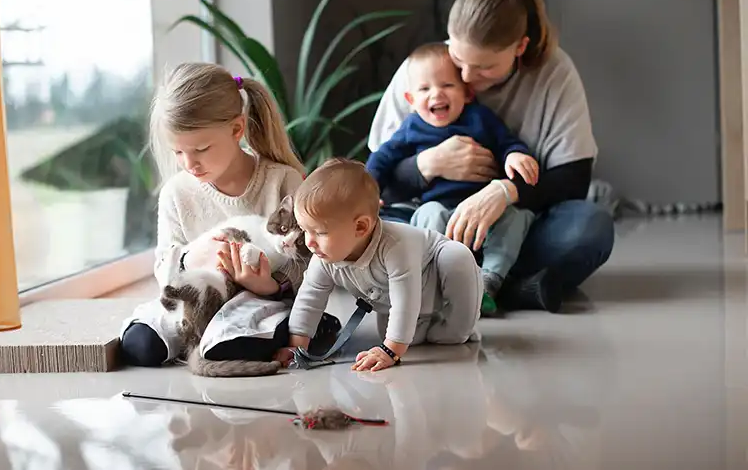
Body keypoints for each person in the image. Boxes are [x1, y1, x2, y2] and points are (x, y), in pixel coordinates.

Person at [369, 0, 615, 313]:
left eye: (485, 67)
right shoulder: (425, 69)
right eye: (458, 58)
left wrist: (504, 191)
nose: (467, 78)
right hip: (432, 219)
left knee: (590, 227)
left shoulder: (555, 73)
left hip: (513, 226)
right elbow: (379, 173)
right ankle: (511, 288)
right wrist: (428, 165)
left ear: (519, 47)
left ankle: (481, 283)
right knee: (369, 228)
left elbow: (574, 180)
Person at [119, 62, 335, 367]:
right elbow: (164, 267)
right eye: (177, 152)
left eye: (202, 149)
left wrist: (271, 286)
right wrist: (191, 257)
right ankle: (213, 338)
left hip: (261, 302)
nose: (189, 164)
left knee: (239, 341)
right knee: (139, 345)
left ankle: (266, 334)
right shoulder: (176, 193)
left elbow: (314, 263)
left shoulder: (283, 182)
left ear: (237, 129)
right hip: (197, 299)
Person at [366, 42, 539, 315]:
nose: (436, 94)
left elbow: (507, 143)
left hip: (485, 214)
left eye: (447, 85)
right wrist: (368, 190)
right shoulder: (411, 127)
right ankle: (436, 283)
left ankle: (488, 282)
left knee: (517, 218)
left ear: (467, 93)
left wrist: (515, 156)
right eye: (425, 89)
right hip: (441, 211)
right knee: (427, 215)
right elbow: (382, 159)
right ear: (410, 100)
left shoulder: (480, 118)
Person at [277, 158, 483, 373]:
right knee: (404, 335)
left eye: (320, 232)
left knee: (456, 258)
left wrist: (390, 350)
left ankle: (460, 328)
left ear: (361, 227)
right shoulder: (324, 257)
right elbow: (309, 299)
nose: (309, 242)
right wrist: (297, 347)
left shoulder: (395, 246)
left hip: (434, 280)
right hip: (392, 302)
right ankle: (423, 326)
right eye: (304, 229)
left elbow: (406, 300)